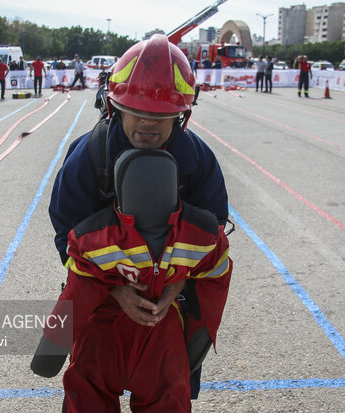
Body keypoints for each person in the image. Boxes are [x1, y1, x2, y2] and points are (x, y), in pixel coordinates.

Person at [46, 34, 229, 400]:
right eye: (138, 111)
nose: (148, 124)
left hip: (166, 308)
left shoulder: (199, 164)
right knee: (89, 393)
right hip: (101, 304)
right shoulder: (87, 158)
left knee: (166, 396)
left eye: (162, 115)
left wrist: (180, 285)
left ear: (182, 116)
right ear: (114, 107)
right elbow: (65, 236)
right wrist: (114, 290)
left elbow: (213, 233)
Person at [33, 148, 232, 412]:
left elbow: (77, 294)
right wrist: (197, 336)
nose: (148, 124)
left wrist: (50, 351)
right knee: (167, 397)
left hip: (102, 333)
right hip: (161, 333)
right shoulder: (201, 235)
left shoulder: (94, 239)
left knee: (88, 393)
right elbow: (215, 279)